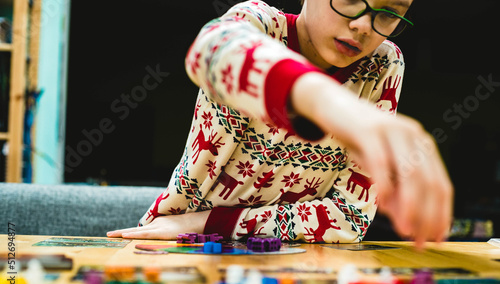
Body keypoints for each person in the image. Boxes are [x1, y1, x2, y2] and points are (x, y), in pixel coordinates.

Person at [107, 0, 453, 247]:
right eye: (350, 0)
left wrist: (208, 222)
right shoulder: (259, 24)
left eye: (389, 14)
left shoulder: (384, 64)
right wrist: (329, 101)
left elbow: (349, 220)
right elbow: (209, 50)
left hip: (295, 258)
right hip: (179, 243)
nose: (364, 25)